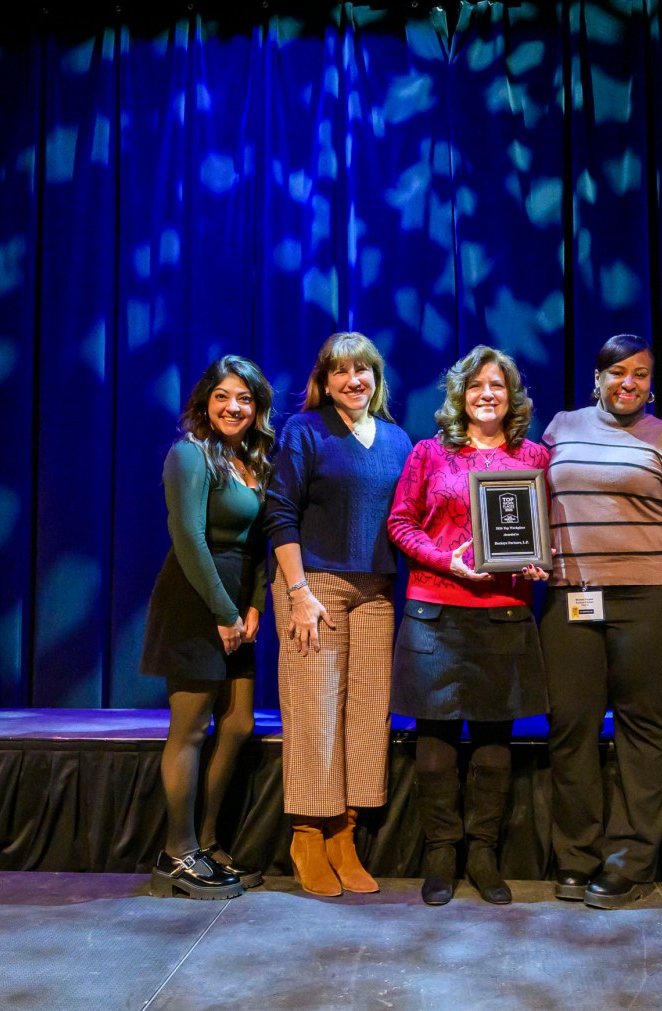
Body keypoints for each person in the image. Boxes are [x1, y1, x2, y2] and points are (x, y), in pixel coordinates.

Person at [540, 334, 662, 909]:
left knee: (643, 729)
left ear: (651, 383)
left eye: (640, 375)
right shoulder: (561, 429)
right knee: (571, 729)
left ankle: (628, 861)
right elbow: (534, 508)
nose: (628, 383)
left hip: (647, 601)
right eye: (617, 373)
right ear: (597, 378)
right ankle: (575, 856)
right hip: (571, 600)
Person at [386, 345, 551, 906]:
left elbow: (545, 533)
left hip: (503, 612)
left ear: (512, 397)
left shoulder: (534, 457)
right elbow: (401, 524)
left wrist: (539, 560)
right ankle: (440, 853)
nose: (487, 394)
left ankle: (483, 853)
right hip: (434, 610)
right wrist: (445, 560)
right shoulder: (430, 453)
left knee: (494, 736)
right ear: (460, 395)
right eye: (477, 385)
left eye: (498, 386)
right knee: (434, 734)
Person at [264, 332, 413, 896]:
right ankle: (308, 834)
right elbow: (280, 512)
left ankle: (344, 835)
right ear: (324, 382)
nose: (355, 381)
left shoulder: (399, 440)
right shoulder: (306, 431)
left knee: (369, 713)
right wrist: (298, 590)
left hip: (376, 589)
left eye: (365, 371)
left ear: (377, 378)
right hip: (315, 583)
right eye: (341, 372)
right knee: (315, 711)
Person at [143, 355, 276, 900]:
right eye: (222, 396)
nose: (233, 407)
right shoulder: (190, 455)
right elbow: (189, 539)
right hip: (195, 600)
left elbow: (258, 546)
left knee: (240, 723)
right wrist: (223, 612)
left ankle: (209, 841)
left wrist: (254, 608)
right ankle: (177, 854)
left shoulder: (251, 461)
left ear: (257, 407)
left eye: (243, 398)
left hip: (235, 603)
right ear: (205, 402)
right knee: (192, 730)